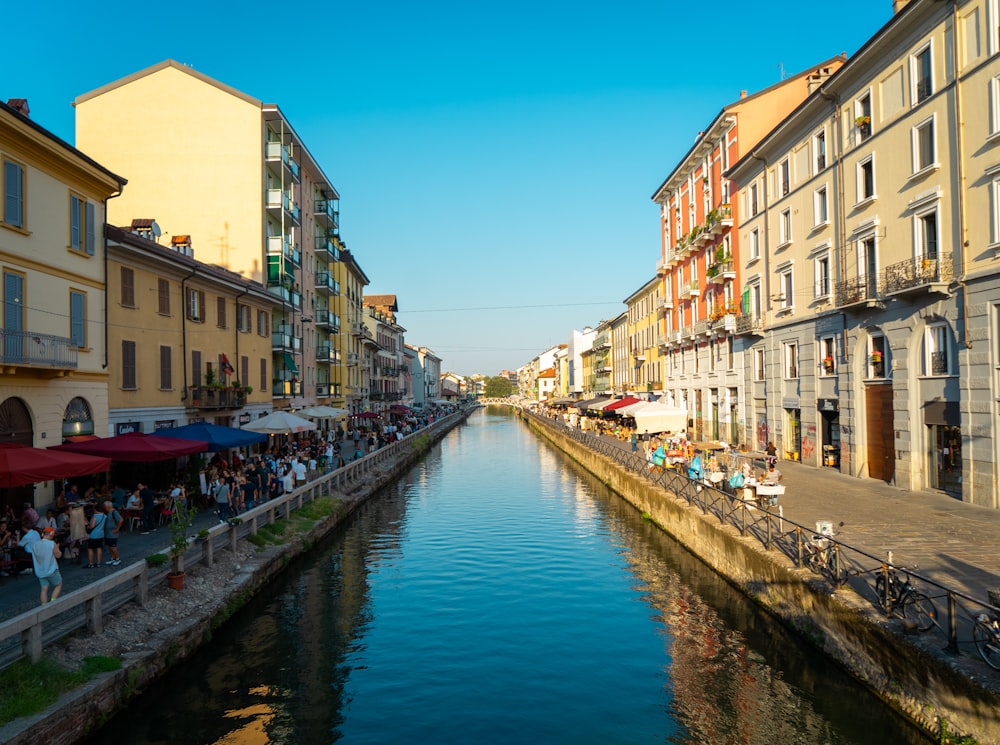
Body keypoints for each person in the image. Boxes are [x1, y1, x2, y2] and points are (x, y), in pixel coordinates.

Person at [27, 527, 62, 604]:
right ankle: (52, 602)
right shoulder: (52, 544)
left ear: (42, 534)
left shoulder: (35, 544)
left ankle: (44, 607)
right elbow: (58, 555)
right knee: (58, 585)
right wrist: (58, 548)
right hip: (52, 570)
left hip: (40, 571)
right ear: (52, 535)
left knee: (44, 589)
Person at [103, 501, 123, 566]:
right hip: (108, 533)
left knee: (113, 547)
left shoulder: (114, 512)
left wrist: (117, 529)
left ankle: (118, 558)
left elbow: (121, 520)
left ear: (107, 506)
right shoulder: (108, 512)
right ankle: (113, 558)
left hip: (112, 533)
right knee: (110, 546)